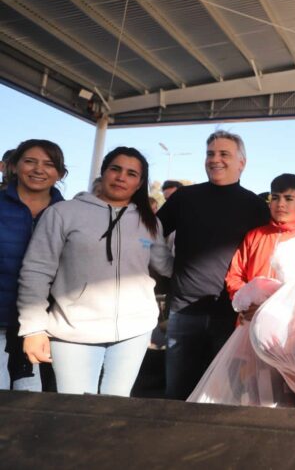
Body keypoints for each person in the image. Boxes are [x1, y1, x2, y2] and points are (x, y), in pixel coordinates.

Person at [18, 147, 172, 396]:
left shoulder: (150, 222)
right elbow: (36, 270)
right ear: (103, 173)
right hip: (73, 331)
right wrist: (33, 328)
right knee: (75, 411)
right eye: (116, 169)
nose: (122, 177)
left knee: (115, 407)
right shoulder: (63, 213)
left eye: (131, 173)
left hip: (134, 331)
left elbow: (165, 266)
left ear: (139, 183)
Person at [157, 130, 270, 400]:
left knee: (225, 396)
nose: (215, 159)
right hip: (185, 311)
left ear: (242, 162)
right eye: (210, 154)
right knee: (177, 394)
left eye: (224, 154)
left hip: (232, 316)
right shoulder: (184, 198)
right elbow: (150, 233)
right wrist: (166, 267)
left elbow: (262, 257)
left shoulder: (255, 205)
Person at [0, 140, 66, 391]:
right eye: (30, 161)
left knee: (33, 399)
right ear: (14, 167)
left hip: (47, 324)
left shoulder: (68, 212)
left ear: (60, 174)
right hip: (1, 319)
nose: (39, 169)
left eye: (49, 164)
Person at [225, 173, 295, 324]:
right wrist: (246, 302)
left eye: (288, 198)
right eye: (275, 198)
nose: (280, 204)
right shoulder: (254, 235)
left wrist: (272, 309)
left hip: (289, 324)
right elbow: (235, 275)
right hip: (249, 320)